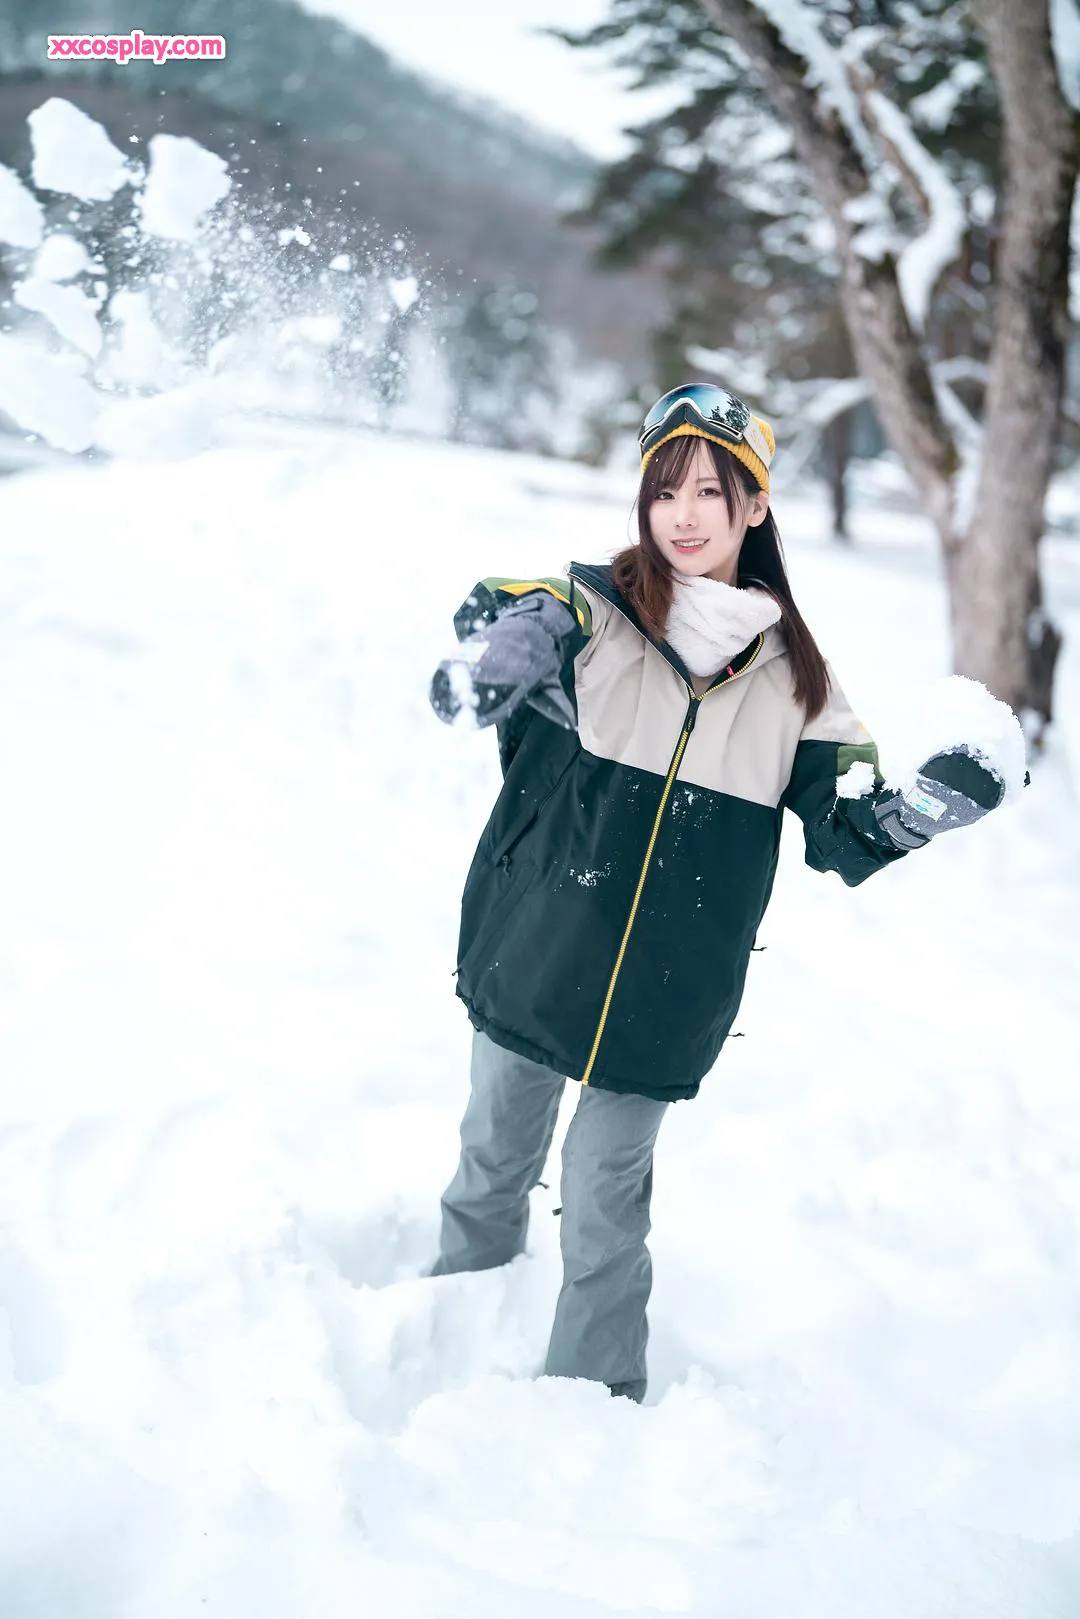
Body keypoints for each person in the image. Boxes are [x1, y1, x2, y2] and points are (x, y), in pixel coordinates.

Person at [426, 383, 1006, 1403]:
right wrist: (506, 638)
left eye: (709, 491)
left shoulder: (799, 686)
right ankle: (441, 1328)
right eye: (664, 492)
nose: (683, 515)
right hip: (536, 944)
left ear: (756, 505)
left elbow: (848, 823)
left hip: (664, 992)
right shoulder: (586, 612)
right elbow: (508, 604)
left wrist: (913, 812)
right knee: (491, 1156)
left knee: (607, 1203)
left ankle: (594, 1402)